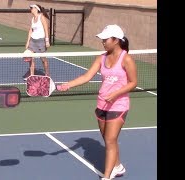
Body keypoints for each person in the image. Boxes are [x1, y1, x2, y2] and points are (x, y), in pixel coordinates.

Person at [57, 24, 137, 180]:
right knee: (108, 140)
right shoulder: (101, 58)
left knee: (110, 139)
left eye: (105, 39)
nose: (103, 42)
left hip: (119, 105)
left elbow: (133, 82)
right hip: (102, 104)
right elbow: (86, 77)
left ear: (116, 40)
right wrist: (68, 85)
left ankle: (106, 176)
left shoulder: (126, 59)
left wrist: (116, 93)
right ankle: (118, 166)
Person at [23, 4, 50, 80]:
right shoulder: (32, 19)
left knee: (43, 59)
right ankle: (32, 75)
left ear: (36, 9)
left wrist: (47, 41)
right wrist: (28, 42)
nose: (30, 9)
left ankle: (47, 74)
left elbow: (46, 29)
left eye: (32, 8)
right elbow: (31, 30)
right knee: (30, 58)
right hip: (33, 41)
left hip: (41, 41)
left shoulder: (41, 17)